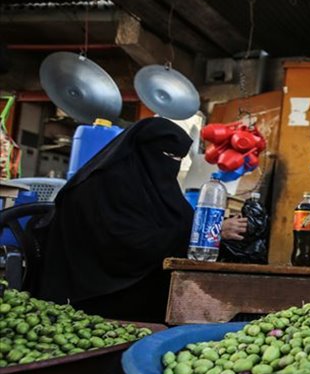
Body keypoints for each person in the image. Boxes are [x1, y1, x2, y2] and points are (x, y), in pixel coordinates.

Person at [34, 117, 246, 323]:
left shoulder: (155, 186)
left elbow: (180, 225)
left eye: (177, 158)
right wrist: (205, 233)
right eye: (167, 155)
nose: (171, 163)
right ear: (140, 149)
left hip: (142, 284)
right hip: (97, 295)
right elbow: (125, 245)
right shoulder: (98, 187)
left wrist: (211, 232)